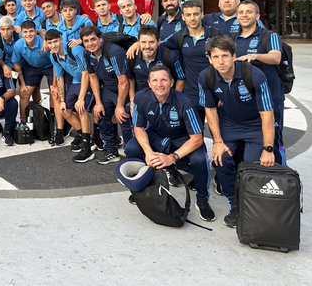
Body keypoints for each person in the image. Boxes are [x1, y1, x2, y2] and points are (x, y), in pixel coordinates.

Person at [198, 35, 276, 228]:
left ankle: (251, 206)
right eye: (215, 57)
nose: (221, 61)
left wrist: (268, 148)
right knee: (221, 159)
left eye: (225, 56)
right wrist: (217, 141)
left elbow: (267, 114)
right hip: (229, 124)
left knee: (251, 166)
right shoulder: (206, 77)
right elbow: (210, 110)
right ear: (209, 59)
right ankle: (235, 206)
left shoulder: (254, 74)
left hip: (254, 125)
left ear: (234, 56)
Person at [126, 65, 215, 222]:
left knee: (200, 160)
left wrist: (172, 158)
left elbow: (197, 138)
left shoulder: (185, 103)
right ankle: (143, 188)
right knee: (132, 148)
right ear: (149, 83)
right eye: (155, 80)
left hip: (183, 138)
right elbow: (138, 128)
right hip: (158, 135)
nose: (159, 84)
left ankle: (202, 199)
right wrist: (148, 152)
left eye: (164, 80)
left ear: (172, 82)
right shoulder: (141, 98)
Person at [232, 0, 285, 164]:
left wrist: (255, 56)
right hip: (246, 100)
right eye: (241, 12)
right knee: (249, 140)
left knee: (274, 139)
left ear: (257, 16)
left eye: (249, 12)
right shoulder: (232, 39)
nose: (244, 15)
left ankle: (280, 172)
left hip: (271, 97)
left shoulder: (269, 36)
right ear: (237, 16)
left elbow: (276, 57)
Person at [161, 0, 219, 119]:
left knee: (219, 135)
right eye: (188, 15)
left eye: (196, 14)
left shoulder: (215, 34)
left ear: (202, 15)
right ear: (183, 17)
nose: (192, 18)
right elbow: (159, 46)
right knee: (196, 135)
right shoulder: (179, 36)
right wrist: (138, 44)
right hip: (192, 93)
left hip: (216, 91)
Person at [80, 26, 129, 164]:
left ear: (100, 39)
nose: (90, 43)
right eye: (86, 41)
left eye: (93, 39)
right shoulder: (87, 53)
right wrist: (98, 102)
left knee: (124, 117)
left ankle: (132, 155)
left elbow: (123, 82)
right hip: (108, 87)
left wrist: (119, 105)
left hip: (122, 87)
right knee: (101, 114)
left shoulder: (114, 51)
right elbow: (93, 77)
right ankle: (111, 151)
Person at [46, 29, 94, 163]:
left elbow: (86, 74)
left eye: (55, 41)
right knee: (65, 110)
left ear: (61, 39)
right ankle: (83, 135)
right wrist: (61, 100)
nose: (53, 45)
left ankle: (87, 149)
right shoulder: (54, 56)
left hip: (89, 80)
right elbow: (60, 78)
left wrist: (80, 99)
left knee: (81, 108)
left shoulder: (75, 50)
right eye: (50, 43)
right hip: (75, 82)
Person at [12, 20, 53, 122]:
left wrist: (56, 83)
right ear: (21, 33)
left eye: (31, 31)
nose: (28, 34)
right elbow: (16, 63)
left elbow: (55, 61)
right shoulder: (18, 45)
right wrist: (22, 83)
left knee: (55, 93)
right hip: (32, 68)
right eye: (25, 32)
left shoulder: (44, 43)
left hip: (49, 67)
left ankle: (54, 121)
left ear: (35, 32)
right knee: (25, 93)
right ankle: (24, 122)